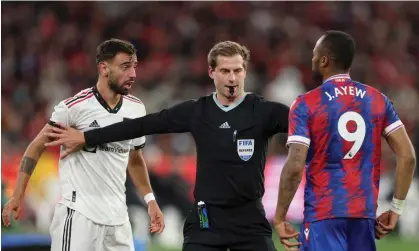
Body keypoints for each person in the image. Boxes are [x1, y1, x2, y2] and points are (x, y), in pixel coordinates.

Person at [44, 40, 290, 251]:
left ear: (245, 72)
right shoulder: (198, 111)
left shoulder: (265, 112)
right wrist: (87, 138)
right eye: (225, 71)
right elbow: (141, 125)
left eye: (238, 70)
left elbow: (308, 127)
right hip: (206, 220)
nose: (232, 78)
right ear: (211, 72)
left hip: (249, 219)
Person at [2, 38, 165, 251]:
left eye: (134, 67)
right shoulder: (74, 108)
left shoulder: (136, 110)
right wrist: (18, 194)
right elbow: (36, 147)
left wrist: (150, 200)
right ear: (104, 68)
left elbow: (135, 159)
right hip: (79, 216)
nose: (133, 74)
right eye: (125, 67)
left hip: (118, 220)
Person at [273, 30, 417, 251]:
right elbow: (407, 157)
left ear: (323, 60)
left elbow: (294, 165)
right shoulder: (378, 100)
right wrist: (396, 209)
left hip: (324, 213)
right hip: (364, 215)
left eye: (314, 54)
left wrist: (280, 217)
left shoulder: (306, 104)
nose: (311, 59)